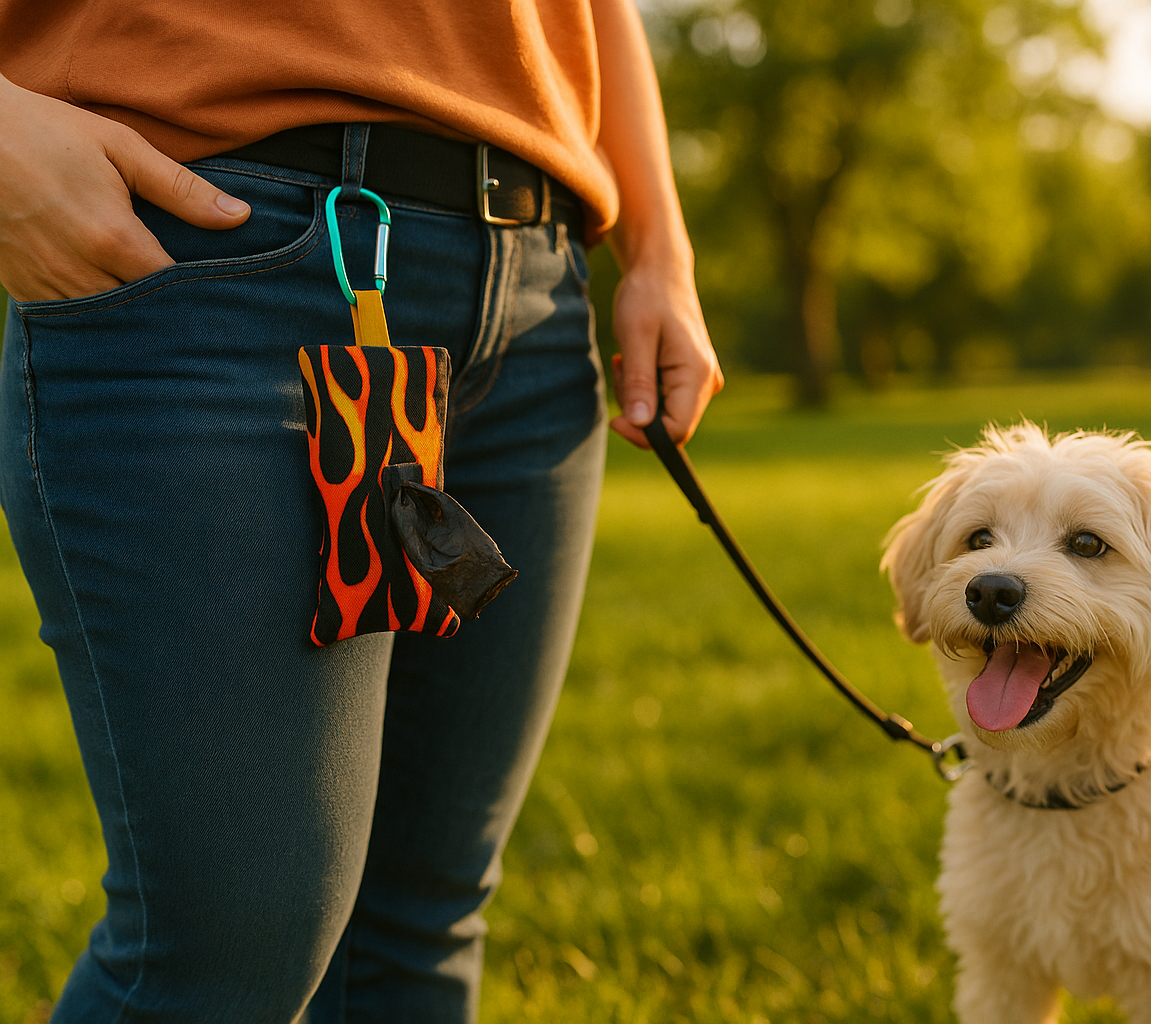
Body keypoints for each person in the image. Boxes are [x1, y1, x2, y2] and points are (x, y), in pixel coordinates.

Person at [0, 1, 722, 1020]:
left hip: (532, 285)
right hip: (212, 257)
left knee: (418, 922)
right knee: (223, 963)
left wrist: (661, 247)